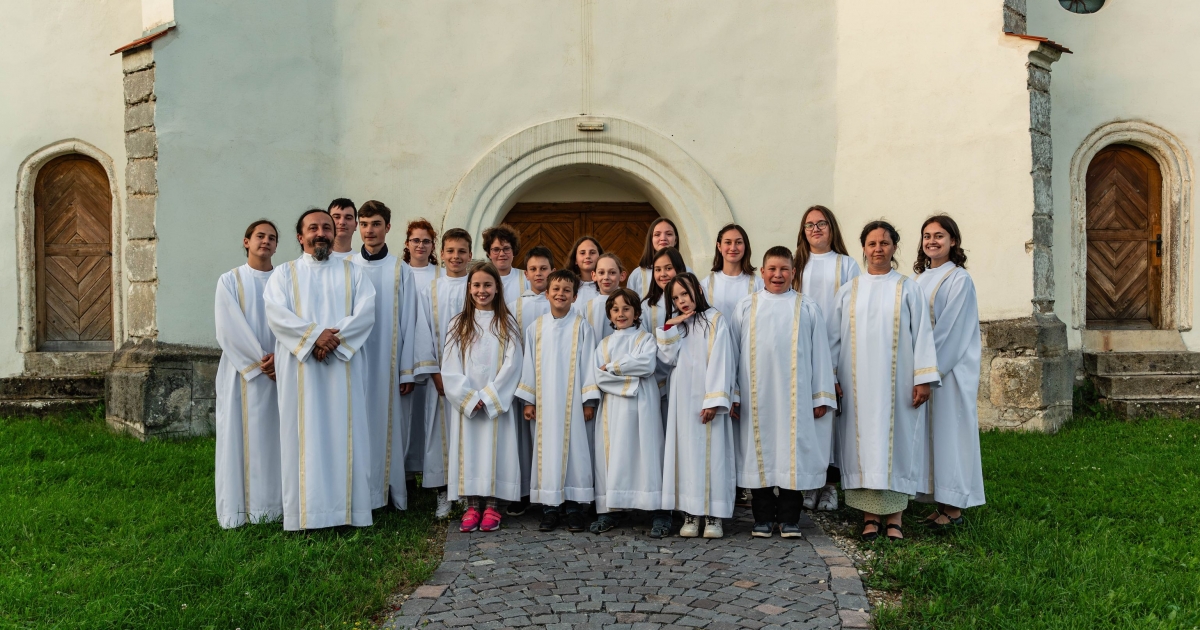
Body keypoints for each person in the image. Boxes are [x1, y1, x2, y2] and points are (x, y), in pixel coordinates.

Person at [264, 208, 377, 531]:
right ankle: (305, 515)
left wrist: (329, 340)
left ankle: (347, 513)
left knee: (346, 434)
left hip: (342, 366)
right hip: (301, 368)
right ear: (300, 237)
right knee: (303, 436)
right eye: (313, 228)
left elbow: (366, 312)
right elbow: (276, 313)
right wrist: (315, 337)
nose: (322, 233)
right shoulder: (284, 274)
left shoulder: (353, 273)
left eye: (327, 227)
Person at [831, 220, 939, 542]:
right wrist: (831, 378)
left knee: (896, 445)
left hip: (898, 383)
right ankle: (869, 517)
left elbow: (922, 334)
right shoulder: (848, 291)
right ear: (863, 248)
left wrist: (924, 379)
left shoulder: (908, 288)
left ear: (894, 248)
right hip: (856, 385)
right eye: (872, 243)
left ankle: (894, 518)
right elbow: (833, 339)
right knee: (863, 446)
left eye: (885, 243)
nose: (878, 248)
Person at [731, 247, 837, 538]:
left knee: (794, 456)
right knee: (759, 454)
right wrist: (734, 393)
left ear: (793, 273)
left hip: (797, 398)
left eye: (784, 269)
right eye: (772, 269)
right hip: (757, 399)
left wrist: (822, 396)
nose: (778, 275)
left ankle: (790, 518)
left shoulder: (807, 307)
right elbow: (733, 353)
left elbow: (821, 356)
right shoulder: (745, 307)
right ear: (762, 272)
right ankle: (762, 518)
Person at [913, 215, 985, 529]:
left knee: (950, 435)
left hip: (949, 371)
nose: (932, 241)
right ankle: (941, 501)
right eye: (927, 236)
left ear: (953, 241)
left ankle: (954, 508)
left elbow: (951, 331)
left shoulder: (959, 279)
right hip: (926, 369)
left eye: (939, 236)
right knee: (932, 437)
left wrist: (927, 370)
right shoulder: (920, 278)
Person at [443, 262, 523, 533]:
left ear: (497, 288)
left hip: (494, 404)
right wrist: (468, 398)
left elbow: (513, 365)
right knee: (471, 453)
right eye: (476, 285)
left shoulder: (507, 323)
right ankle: (472, 506)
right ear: (468, 289)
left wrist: (488, 397)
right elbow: (450, 367)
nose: (482, 290)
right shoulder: (458, 323)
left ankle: (492, 506)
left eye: (488, 285)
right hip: (468, 405)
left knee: (496, 452)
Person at [517, 269, 600, 533]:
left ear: (575, 296)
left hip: (574, 405)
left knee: (576, 452)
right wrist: (528, 400)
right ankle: (550, 509)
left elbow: (589, 364)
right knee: (546, 454)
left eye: (566, 290)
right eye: (556, 289)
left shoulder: (582, 327)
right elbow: (528, 364)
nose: (560, 294)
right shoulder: (535, 328)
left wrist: (589, 400)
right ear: (547, 294)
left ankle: (575, 508)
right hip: (545, 406)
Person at [657, 273, 737, 539]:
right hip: (682, 400)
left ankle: (714, 515)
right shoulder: (678, 325)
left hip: (706, 398)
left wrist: (714, 399)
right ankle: (691, 513)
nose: (682, 301)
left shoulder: (715, 320)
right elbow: (666, 359)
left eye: (686, 294)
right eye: (676, 297)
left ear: (698, 291)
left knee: (711, 454)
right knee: (686, 455)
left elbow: (721, 359)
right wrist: (670, 326)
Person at [214, 219, 282, 528]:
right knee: (240, 438)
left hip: (282, 371)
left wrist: (280, 359)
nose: (265, 241)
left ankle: (275, 507)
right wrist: (261, 362)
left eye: (271, 237)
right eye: (259, 236)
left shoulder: (285, 279)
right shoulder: (229, 280)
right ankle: (239, 511)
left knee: (276, 440)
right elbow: (228, 327)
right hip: (243, 372)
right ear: (246, 241)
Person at [352, 200, 417, 511]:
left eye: (376, 224)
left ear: (388, 227)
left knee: (387, 424)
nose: (369, 230)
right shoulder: (347, 267)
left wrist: (406, 370)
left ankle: (387, 493)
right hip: (353, 361)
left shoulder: (400, 270)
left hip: (388, 364)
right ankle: (358, 491)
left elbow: (410, 321)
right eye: (364, 224)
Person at [590, 288, 671, 538]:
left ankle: (658, 512)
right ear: (609, 314)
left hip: (643, 407)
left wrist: (613, 367)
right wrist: (629, 380)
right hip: (613, 409)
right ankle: (610, 510)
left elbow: (646, 365)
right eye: (615, 309)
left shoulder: (646, 339)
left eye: (626, 308)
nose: (621, 313)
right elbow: (598, 377)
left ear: (637, 312)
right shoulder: (604, 344)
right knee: (613, 454)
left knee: (647, 453)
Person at [795, 205, 860, 512]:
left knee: (832, 417)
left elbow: (853, 310)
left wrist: (836, 361)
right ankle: (809, 483)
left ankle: (830, 486)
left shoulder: (846, 265)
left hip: (838, 349)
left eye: (822, 223)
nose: (816, 229)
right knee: (805, 415)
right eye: (809, 225)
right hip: (801, 351)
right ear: (802, 231)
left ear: (832, 228)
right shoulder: (796, 264)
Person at [413, 229, 473, 518]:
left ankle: (466, 492)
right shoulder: (431, 290)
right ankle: (443, 493)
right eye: (450, 251)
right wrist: (434, 373)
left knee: (469, 433)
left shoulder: (478, 286)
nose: (455, 257)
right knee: (440, 436)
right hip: (439, 381)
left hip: (471, 377)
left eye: (461, 251)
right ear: (442, 253)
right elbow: (422, 331)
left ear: (470, 255)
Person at [504, 246, 555, 517]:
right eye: (533, 269)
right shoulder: (514, 307)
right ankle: (522, 492)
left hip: (556, 382)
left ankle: (550, 491)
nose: (539, 273)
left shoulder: (559, 300)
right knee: (523, 440)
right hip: (524, 383)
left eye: (543, 268)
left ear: (552, 271)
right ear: (525, 273)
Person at [401, 218, 439, 480]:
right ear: (407, 243)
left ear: (433, 245)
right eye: (416, 240)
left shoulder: (442, 276)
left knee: (430, 414)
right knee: (407, 413)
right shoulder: (398, 272)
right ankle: (405, 470)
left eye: (426, 241)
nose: (421, 245)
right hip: (404, 349)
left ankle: (429, 469)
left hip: (433, 352)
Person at [641, 247, 685, 422]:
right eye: (658, 270)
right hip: (657, 382)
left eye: (668, 268)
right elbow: (643, 343)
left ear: (679, 269)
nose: (663, 274)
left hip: (687, 379)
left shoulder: (690, 302)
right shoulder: (646, 306)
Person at [702, 223, 763, 315]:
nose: (733, 248)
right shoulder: (706, 285)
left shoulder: (758, 285)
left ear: (745, 246)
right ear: (719, 246)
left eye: (738, 242)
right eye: (728, 242)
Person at [628, 218, 690, 298]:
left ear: (676, 240)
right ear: (651, 240)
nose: (663, 238)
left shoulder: (687, 272)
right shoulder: (637, 275)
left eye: (669, 234)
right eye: (657, 234)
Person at [581, 253, 626, 342]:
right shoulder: (587, 308)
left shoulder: (629, 304)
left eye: (612, 272)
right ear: (594, 275)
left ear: (622, 276)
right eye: (601, 273)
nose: (606, 277)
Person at [482, 224, 530, 298]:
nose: (501, 254)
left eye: (506, 248)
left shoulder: (526, 278)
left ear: (513, 251)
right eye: (496, 249)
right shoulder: (481, 279)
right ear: (489, 254)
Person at [568, 235, 604, 304]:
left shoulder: (609, 286)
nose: (587, 256)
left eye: (592, 252)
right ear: (575, 259)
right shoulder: (567, 286)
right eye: (582, 253)